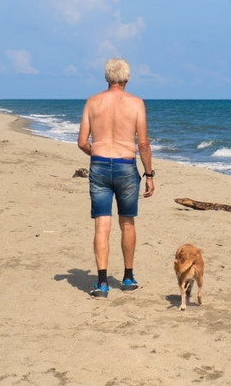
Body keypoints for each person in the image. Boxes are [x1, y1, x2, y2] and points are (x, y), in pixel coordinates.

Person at [77, 58, 154, 298]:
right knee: (127, 222)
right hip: (126, 167)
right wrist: (149, 174)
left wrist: (98, 154)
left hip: (99, 166)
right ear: (127, 78)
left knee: (102, 224)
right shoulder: (136, 104)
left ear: (106, 77)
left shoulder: (92, 102)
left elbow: (82, 142)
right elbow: (142, 144)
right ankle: (128, 278)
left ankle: (101, 284)